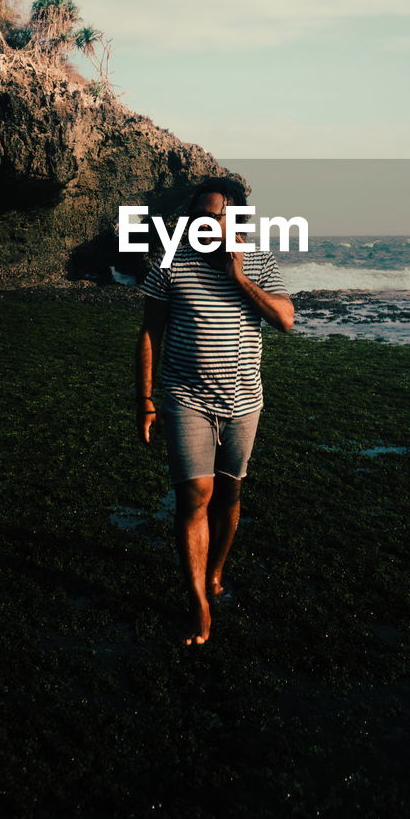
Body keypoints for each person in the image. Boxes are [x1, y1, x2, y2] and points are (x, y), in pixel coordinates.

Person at [135, 176, 294, 646]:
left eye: (216, 215)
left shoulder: (260, 261)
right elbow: (149, 333)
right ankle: (198, 605)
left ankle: (216, 572)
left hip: (245, 402)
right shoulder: (171, 262)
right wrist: (145, 399)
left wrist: (238, 276)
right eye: (198, 216)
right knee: (194, 496)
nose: (206, 223)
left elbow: (284, 320)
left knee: (229, 494)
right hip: (185, 398)